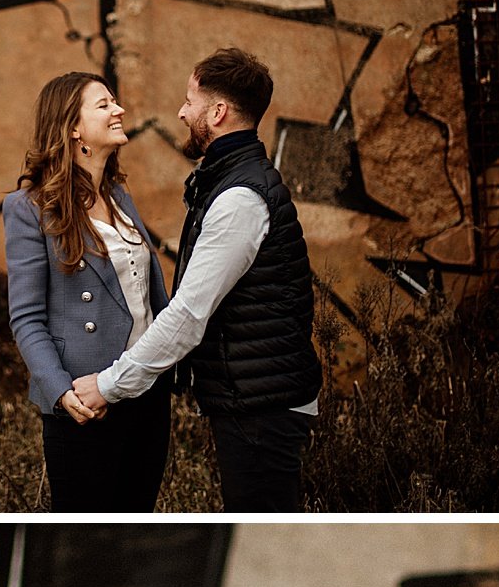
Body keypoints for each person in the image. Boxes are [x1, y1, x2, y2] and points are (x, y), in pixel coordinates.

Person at [72, 47, 321, 512]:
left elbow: (188, 314)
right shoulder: (230, 181)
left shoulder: (239, 198)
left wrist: (109, 384)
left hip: (260, 409)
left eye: (191, 100)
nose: (183, 112)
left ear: (219, 111)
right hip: (256, 399)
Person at [4, 72, 172, 513]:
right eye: (104, 105)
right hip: (85, 401)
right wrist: (61, 393)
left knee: (138, 520)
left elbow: (147, 296)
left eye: (115, 102)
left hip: (146, 390)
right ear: (72, 127)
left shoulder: (118, 193)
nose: (118, 110)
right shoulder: (29, 210)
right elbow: (26, 318)